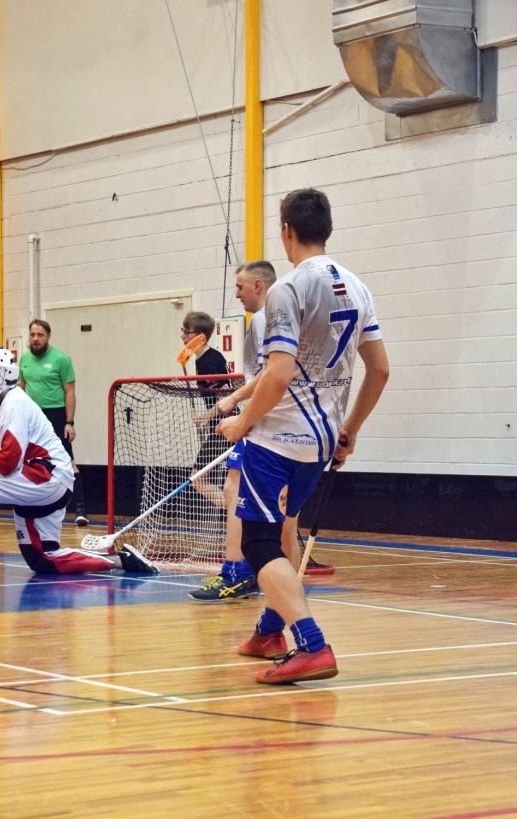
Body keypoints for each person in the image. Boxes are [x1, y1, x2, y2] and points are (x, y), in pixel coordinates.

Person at [217, 188, 389, 684]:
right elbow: (378, 370)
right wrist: (350, 430)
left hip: (277, 442)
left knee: (258, 543)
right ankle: (270, 630)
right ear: (327, 228)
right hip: (321, 440)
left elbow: (279, 373)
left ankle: (312, 644)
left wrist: (240, 423)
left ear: (286, 230)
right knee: (284, 531)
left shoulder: (287, 291)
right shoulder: (358, 287)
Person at [0, 348, 158, 579]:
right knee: (42, 559)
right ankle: (121, 560)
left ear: (6, 375)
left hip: (46, 478)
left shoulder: (14, 403)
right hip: (51, 480)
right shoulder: (11, 401)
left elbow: (8, 462)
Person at [189, 262, 334, 603]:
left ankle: (242, 574)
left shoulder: (270, 317)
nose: (236, 293)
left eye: (240, 287)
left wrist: (237, 406)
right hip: (292, 427)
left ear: (257, 285)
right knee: (240, 492)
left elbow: (274, 373)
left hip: (275, 425)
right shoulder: (265, 319)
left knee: (268, 511)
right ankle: (252, 580)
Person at [18, 319, 90, 525]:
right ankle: (34, 506)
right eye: (32, 335)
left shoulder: (61, 359)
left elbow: (70, 392)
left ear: (48, 336)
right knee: (30, 460)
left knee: (68, 461)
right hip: (33, 417)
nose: (35, 339)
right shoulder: (24, 359)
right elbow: (21, 390)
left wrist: (69, 422)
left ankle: (80, 509)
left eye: (40, 335)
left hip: (56, 416)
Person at [180, 311, 232, 504]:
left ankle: (238, 514)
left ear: (200, 336)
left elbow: (227, 397)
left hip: (225, 427)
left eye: (187, 332)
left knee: (198, 479)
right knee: (201, 479)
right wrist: (207, 420)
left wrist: (204, 416)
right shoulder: (203, 359)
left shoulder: (210, 361)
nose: (182, 336)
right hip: (219, 425)